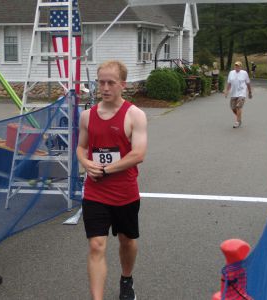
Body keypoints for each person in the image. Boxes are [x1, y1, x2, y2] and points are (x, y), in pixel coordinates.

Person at [76, 60, 147, 300]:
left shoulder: (135, 115)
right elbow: (81, 147)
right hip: (95, 193)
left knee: (127, 241)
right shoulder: (87, 116)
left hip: (125, 193)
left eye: (110, 83)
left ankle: (126, 279)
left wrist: (105, 169)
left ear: (122, 85)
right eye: (101, 82)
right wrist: (86, 164)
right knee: (96, 245)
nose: (104, 87)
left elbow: (138, 154)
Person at [224, 61, 252, 128]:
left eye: (238, 66)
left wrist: (250, 92)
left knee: (238, 107)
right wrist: (226, 91)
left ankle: (237, 122)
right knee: (233, 108)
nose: (237, 67)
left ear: (241, 67)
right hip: (233, 93)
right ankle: (239, 119)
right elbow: (229, 83)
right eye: (236, 66)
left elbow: (248, 83)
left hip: (242, 93)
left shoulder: (244, 73)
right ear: (234, 66)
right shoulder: (231, 73)